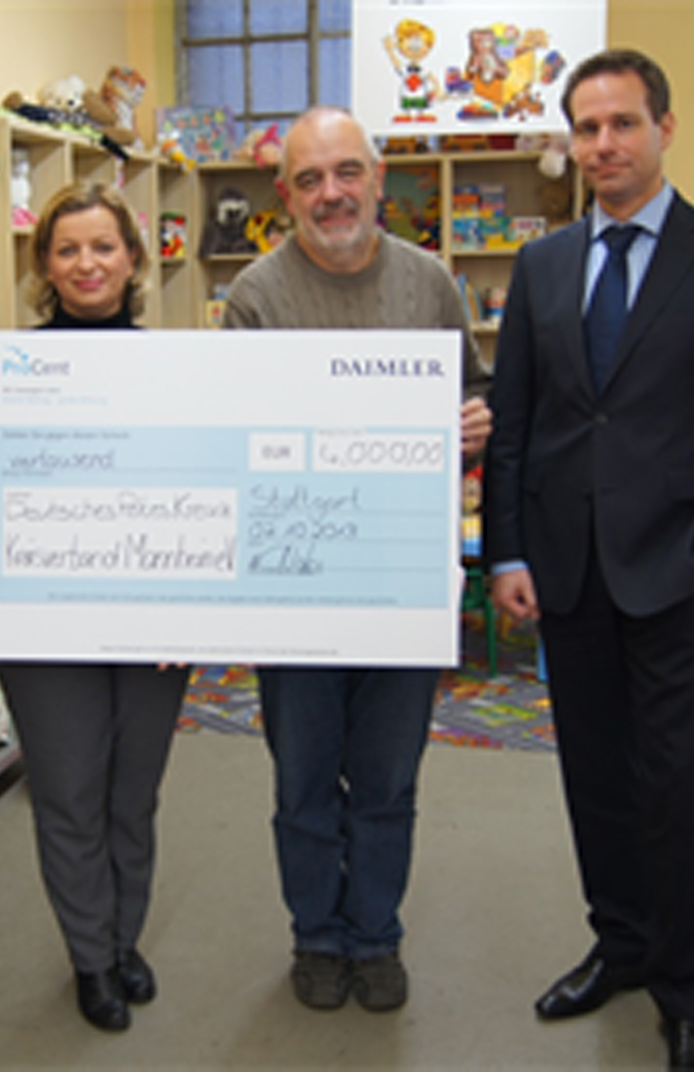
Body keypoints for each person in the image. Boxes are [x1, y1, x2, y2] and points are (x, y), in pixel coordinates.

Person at [483, 49, 694, 1071]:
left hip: (678, 574)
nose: (603, 144)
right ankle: (618, 945)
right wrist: (507, 551)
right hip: (566, 573)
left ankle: (686, 991)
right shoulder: (542, 265)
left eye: (621, 123)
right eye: (586, 127)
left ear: (664, 128)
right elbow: (516, 424)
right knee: (595, 781)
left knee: (675, 786)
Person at [222, 105, 491, 1014]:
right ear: (284, 194)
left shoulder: (431, 285)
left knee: (385, 779)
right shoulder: (253, 297)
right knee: (302, 780)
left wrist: (474, 423)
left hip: (400, 580)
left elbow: (470, 393)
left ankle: (374, 933)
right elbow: (233, 434)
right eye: (309, 179)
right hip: (294, 587)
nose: (330, 194)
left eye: (346, 173)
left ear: (377, 179)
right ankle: (316, 934)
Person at [0, 181, 191, 1034]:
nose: (86, 264)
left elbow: (206, 485)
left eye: (102, 247)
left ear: (132, 259)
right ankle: (91, 958)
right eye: (67, 249)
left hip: (154, 618)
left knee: (132, 794)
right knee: (66, 793)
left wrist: (196, 612)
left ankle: (124, 940)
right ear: (45, 266)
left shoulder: (176, 368)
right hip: (48, 620)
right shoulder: (7, 370)